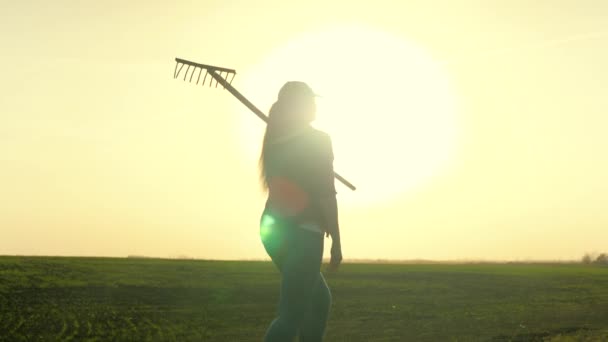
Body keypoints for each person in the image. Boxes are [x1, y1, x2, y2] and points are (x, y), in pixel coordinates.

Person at [258, 81, 342, 342]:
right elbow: (326, 193)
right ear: (301, 106)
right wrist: (337, 242)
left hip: (273, 230)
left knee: (318, 302)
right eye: (311, 101)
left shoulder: (275, 138)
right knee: (291, 315)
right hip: (304, 232)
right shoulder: (318, 140)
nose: (315, 106)